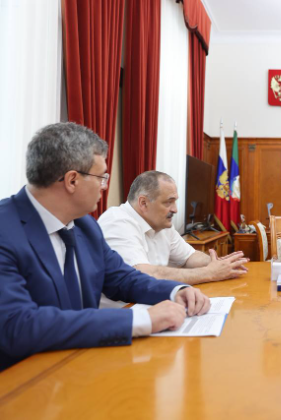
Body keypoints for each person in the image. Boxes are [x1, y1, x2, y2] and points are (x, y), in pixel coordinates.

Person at [0, 122, 210, 371]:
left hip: (81, 364)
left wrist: (176, 291)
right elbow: (17, 325)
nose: (104, 186)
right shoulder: (6, 230)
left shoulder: (85, 226)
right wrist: (139, 319)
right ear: (72, 180)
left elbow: (123, 279)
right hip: (23, 379)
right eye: (101, 177)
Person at [98, 171, 248, 287]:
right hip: (125, 311)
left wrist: (217, 263)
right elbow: (142, 275)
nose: (175, 209)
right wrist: (209, 273)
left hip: (152, 304)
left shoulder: (161, 224)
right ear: (143, 203)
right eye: (168, 202)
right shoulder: (117, 222)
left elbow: (189, 257)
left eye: (175, 201)